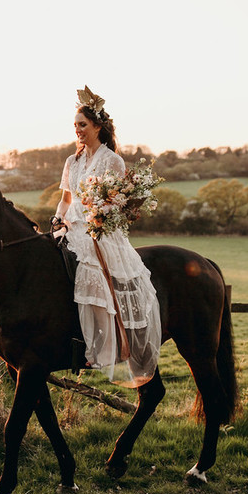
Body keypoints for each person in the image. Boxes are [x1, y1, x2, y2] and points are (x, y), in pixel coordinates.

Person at [53, 87, 161, 387]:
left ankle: (99, 348)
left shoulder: (112, 160)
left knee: (90, 269)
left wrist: (98, 217)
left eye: (82, 125)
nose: (77, 130)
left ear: (98, 127)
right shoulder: (71, 162)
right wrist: (58, 218)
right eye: (75, 125)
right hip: (70, 224)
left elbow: (116, 203)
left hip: (99, 229)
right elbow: (65, 198)